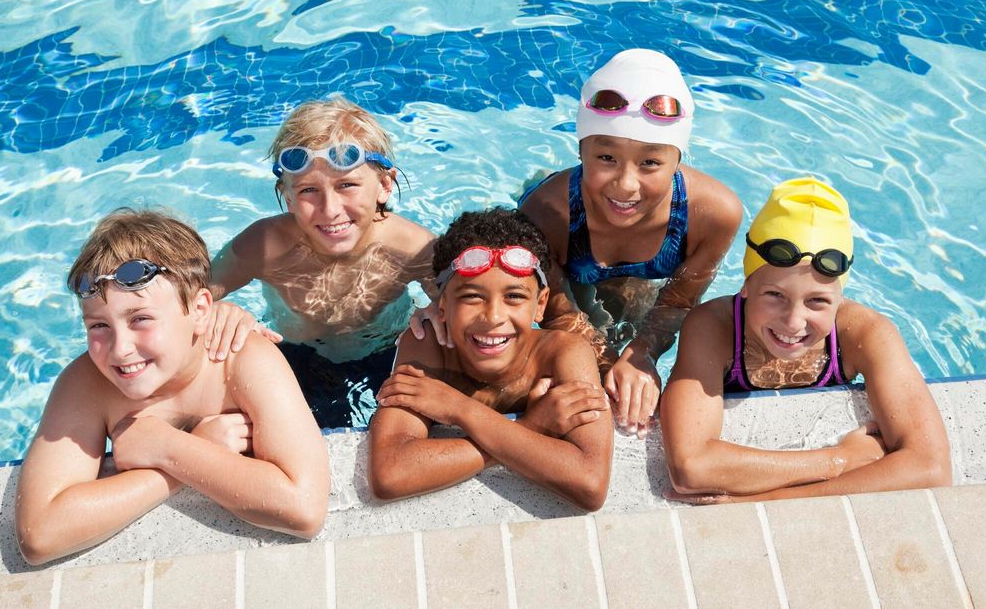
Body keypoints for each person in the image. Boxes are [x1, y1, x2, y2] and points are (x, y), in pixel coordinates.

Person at [15, 209, 329, 565]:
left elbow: (304, 508)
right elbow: (39, 535)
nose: (120, 349)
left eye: (141, 319)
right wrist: (185, 455)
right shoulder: (88, 381)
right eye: (98, 326)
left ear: (199, 311)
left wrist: (165, 447)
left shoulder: (241, 359)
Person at [660, 178, 951, 503]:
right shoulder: (714, 327)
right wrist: (838, 460)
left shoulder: (866, 333)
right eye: (774, 295)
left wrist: (756, 502)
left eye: (817, 301)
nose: (793, 322)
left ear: (840, 298)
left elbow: (930, 467)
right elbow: (691, 467)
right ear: (746, 286)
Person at [515, 49, 743, 439]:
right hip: (573, 252)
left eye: (650, 163)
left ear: (677, 160)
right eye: (605, 157)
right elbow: (555, 308)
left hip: (636, 267)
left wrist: (641, 355)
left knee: (634, 306)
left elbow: (678, 301)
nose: (625, 184)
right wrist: (608, 363)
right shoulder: (546, 211)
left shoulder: (715, 213)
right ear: (581, 150)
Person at [207, 98, 436, 429]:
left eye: (347, 185)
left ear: (384, 186)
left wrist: (439, 311)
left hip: (387, 351)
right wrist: (218, 311)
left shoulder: (413, 249)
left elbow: (467, 300)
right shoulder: (263, 246)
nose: (329, 210)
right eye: (308, 191)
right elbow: (188, 299)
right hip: (297, 357)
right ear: (288, 198)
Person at [369, 208, 613, 511]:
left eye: (514, 297)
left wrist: (459, 408)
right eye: (472, 296)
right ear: (442, 306)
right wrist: (532, 426)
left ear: (541, 305)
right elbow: (390, 474)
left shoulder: (565, 353)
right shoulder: (427, 344)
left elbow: (590, 484)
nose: (493, 317)